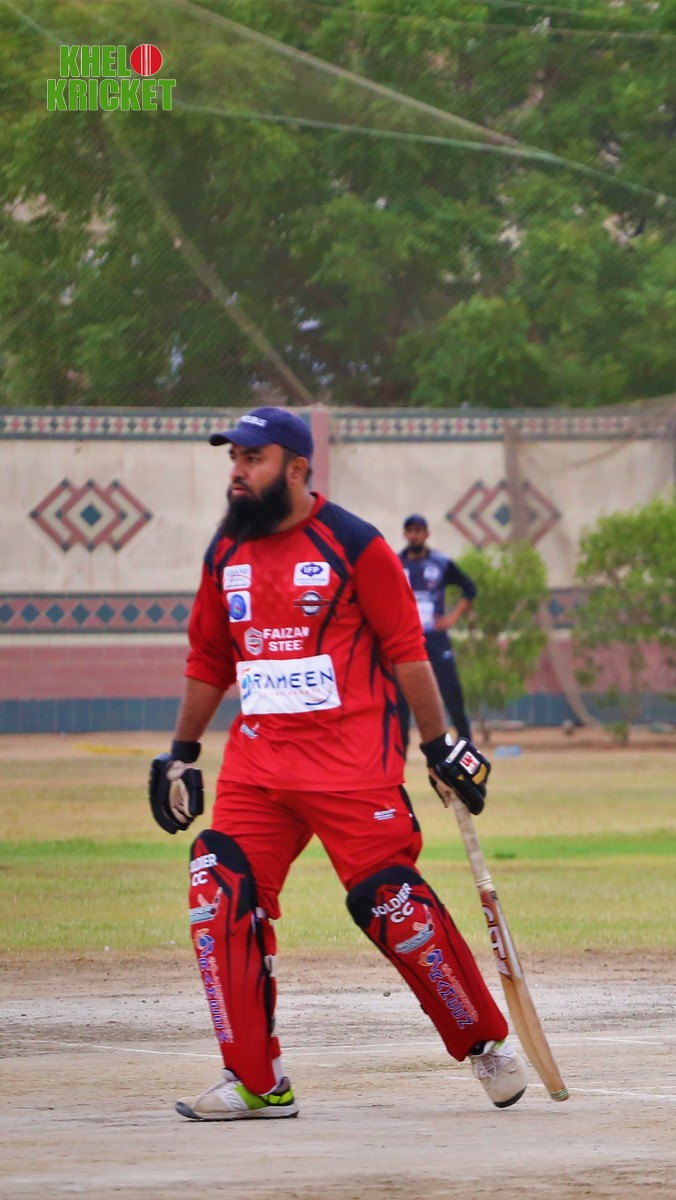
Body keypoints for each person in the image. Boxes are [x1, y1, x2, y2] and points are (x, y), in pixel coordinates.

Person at [146, 405, 529, 1121]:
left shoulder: (355, 544)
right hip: (258, 770)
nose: (237, 472)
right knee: (217, 887)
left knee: (394, 906)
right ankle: (258, 1082)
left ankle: (485, 1043)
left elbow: (407, 649)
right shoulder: (225, 551)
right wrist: (181, 754)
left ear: (296, 468)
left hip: (353, 768)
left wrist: (439, 745)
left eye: (252, 459)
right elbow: (209, 658)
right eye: (233, 459)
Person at [397, 514, 476, 746]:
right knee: (401, 695)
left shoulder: (440, 563)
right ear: (405, 534)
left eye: (418, 531)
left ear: (426, 534)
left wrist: (452, 618)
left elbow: (469, 588)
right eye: (410, 531)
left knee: (451, 690)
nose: (414, 535)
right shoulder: (396, 563)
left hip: (435, 638)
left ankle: (466, 742)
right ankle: (400, 747)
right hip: (407, 639)